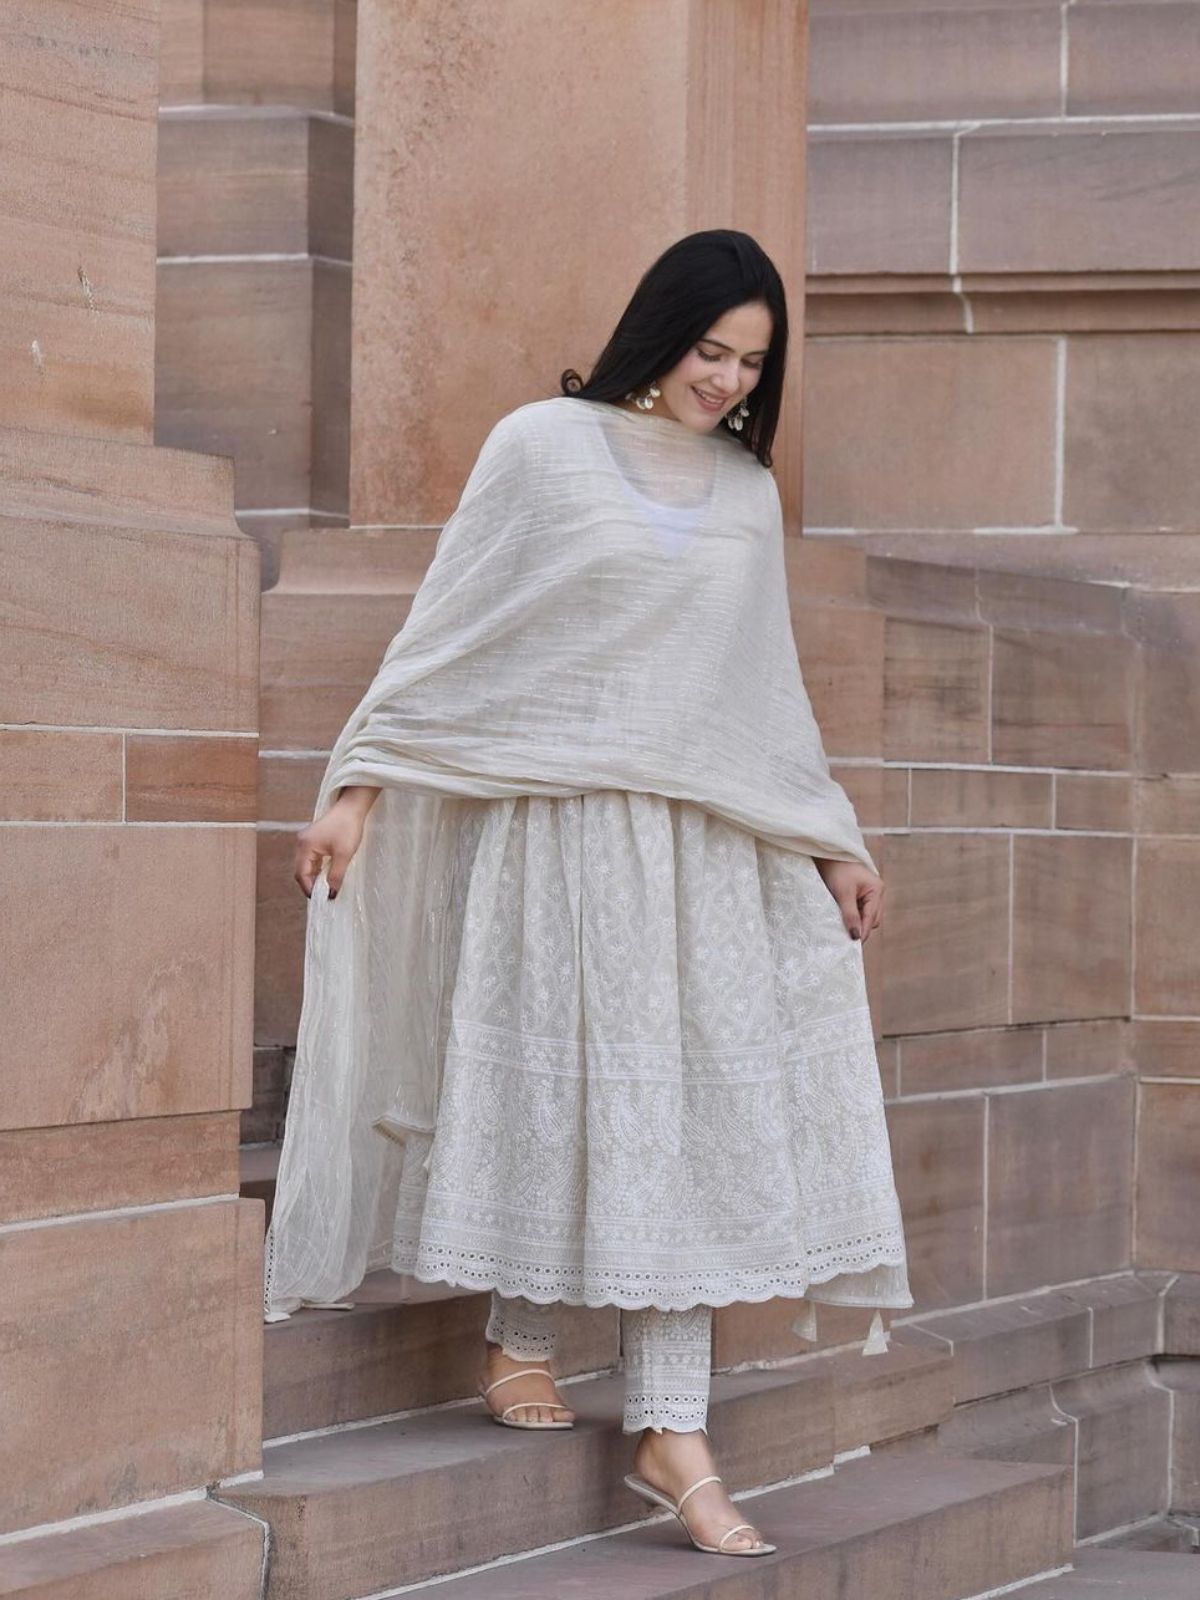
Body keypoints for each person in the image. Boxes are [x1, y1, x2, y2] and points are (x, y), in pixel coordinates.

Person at [269, 229, 913, 1560]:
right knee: (567, 1093)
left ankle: (672, 1426)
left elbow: (764, 689)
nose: (728, 381)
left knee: (672, 1121)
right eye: (710, 350)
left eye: (753, 364)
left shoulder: (745, 491)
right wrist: (359, 791)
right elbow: (452, 634)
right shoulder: (540, 448)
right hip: (555, 837)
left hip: (702, 852)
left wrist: (830, 841)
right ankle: (524, 1335)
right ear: (660, 333)